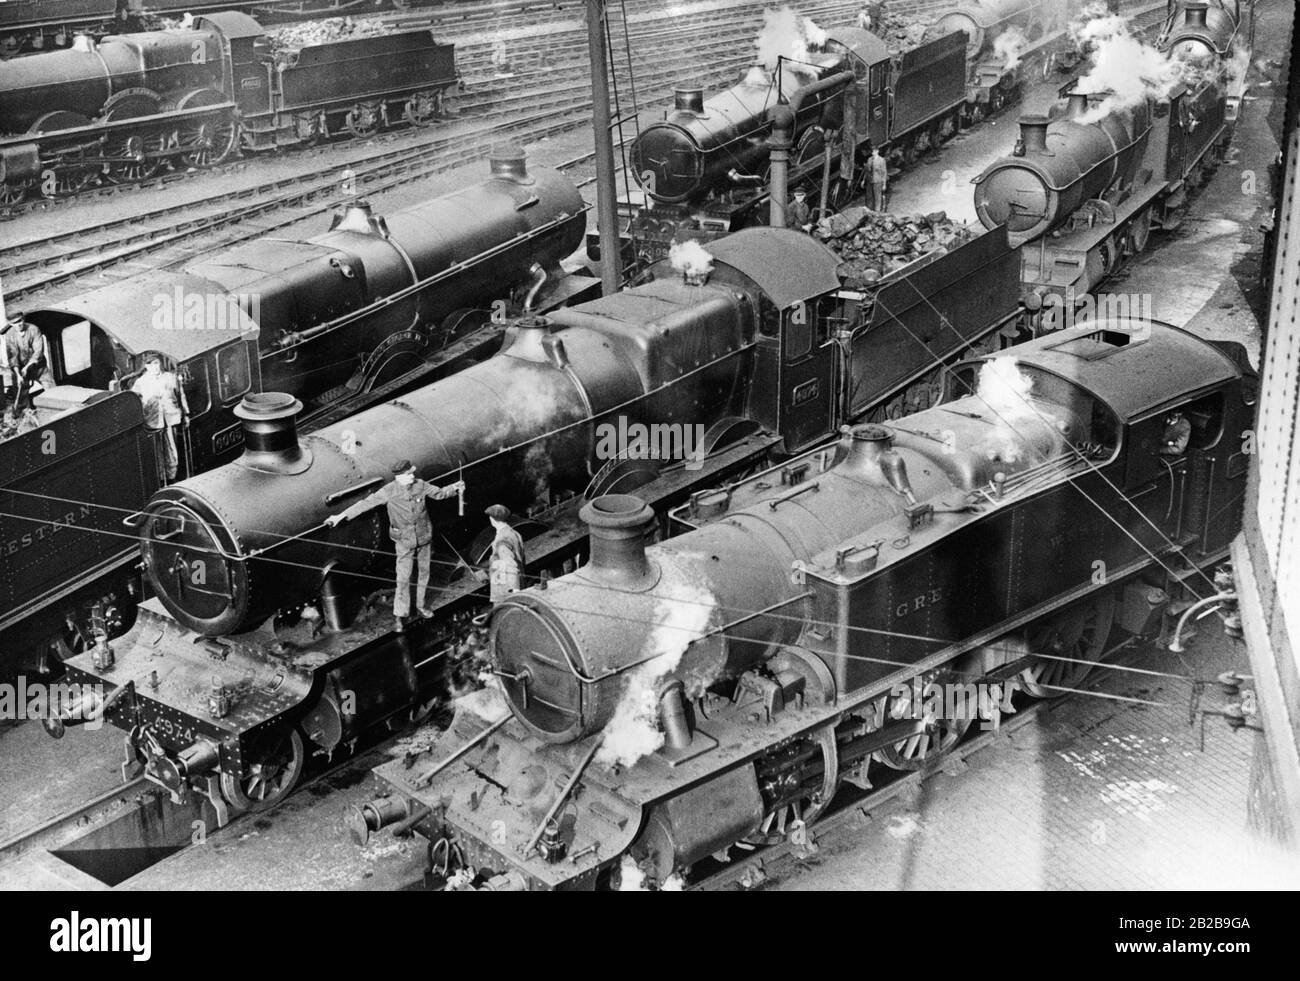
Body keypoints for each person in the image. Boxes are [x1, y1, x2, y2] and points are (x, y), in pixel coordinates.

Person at [324, 460, 465, 625]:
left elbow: (439, 493)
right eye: (409, 474)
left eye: (412, 472)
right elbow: (364, 504)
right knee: (403, 578)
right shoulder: (389, 491)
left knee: (423, 574)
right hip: (404, 541)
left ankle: (420, 606)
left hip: (424, 538)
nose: (413, 476)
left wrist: (454, 488)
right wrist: (340, 516)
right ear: (399, 477)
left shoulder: (420, 485)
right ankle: (400, 614)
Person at [131, 352, 189, 482]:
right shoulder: (140, 383)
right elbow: (135, 403)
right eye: (151, 365)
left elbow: (181, 396)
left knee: (172, 452)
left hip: (170, 418)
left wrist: (186, 415)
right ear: (146, 366)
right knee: (157, 454)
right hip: (152, 423)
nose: (155, 367)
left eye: (157, 363)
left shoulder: (171, 377)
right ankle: (161, 480)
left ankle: (172, 477)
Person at [2, 312, 46, 414]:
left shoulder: (34, 329)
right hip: (20, 370)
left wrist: (26, 367)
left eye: (20, 320)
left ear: (23, 319)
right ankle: (24, 416)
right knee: (20, 397)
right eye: (15, 323)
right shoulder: (10, 335)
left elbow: (38, 351)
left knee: (52, 389)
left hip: (39, 367)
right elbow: (12, 357)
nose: (19, 324)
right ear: (11, 324)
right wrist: (18, 375)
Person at [484, 503, 525, 602]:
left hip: (505, 587)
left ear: (493, 519)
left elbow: (511, 567)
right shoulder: (513, 532)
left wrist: (515, 594)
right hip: (517, 579)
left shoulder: (502, 540)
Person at [868, 147, 889, 211]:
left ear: (877, 151)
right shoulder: (869, 159)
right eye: (872, 152)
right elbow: (867, 170)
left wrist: (884, 184)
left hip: (878, 181)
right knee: (871, 198)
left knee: (878, 198)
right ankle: (872, 212)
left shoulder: (881, 160)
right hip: (871, 181)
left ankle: (878, 212)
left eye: (874, 151)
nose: (872, 153)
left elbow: (884, 172)